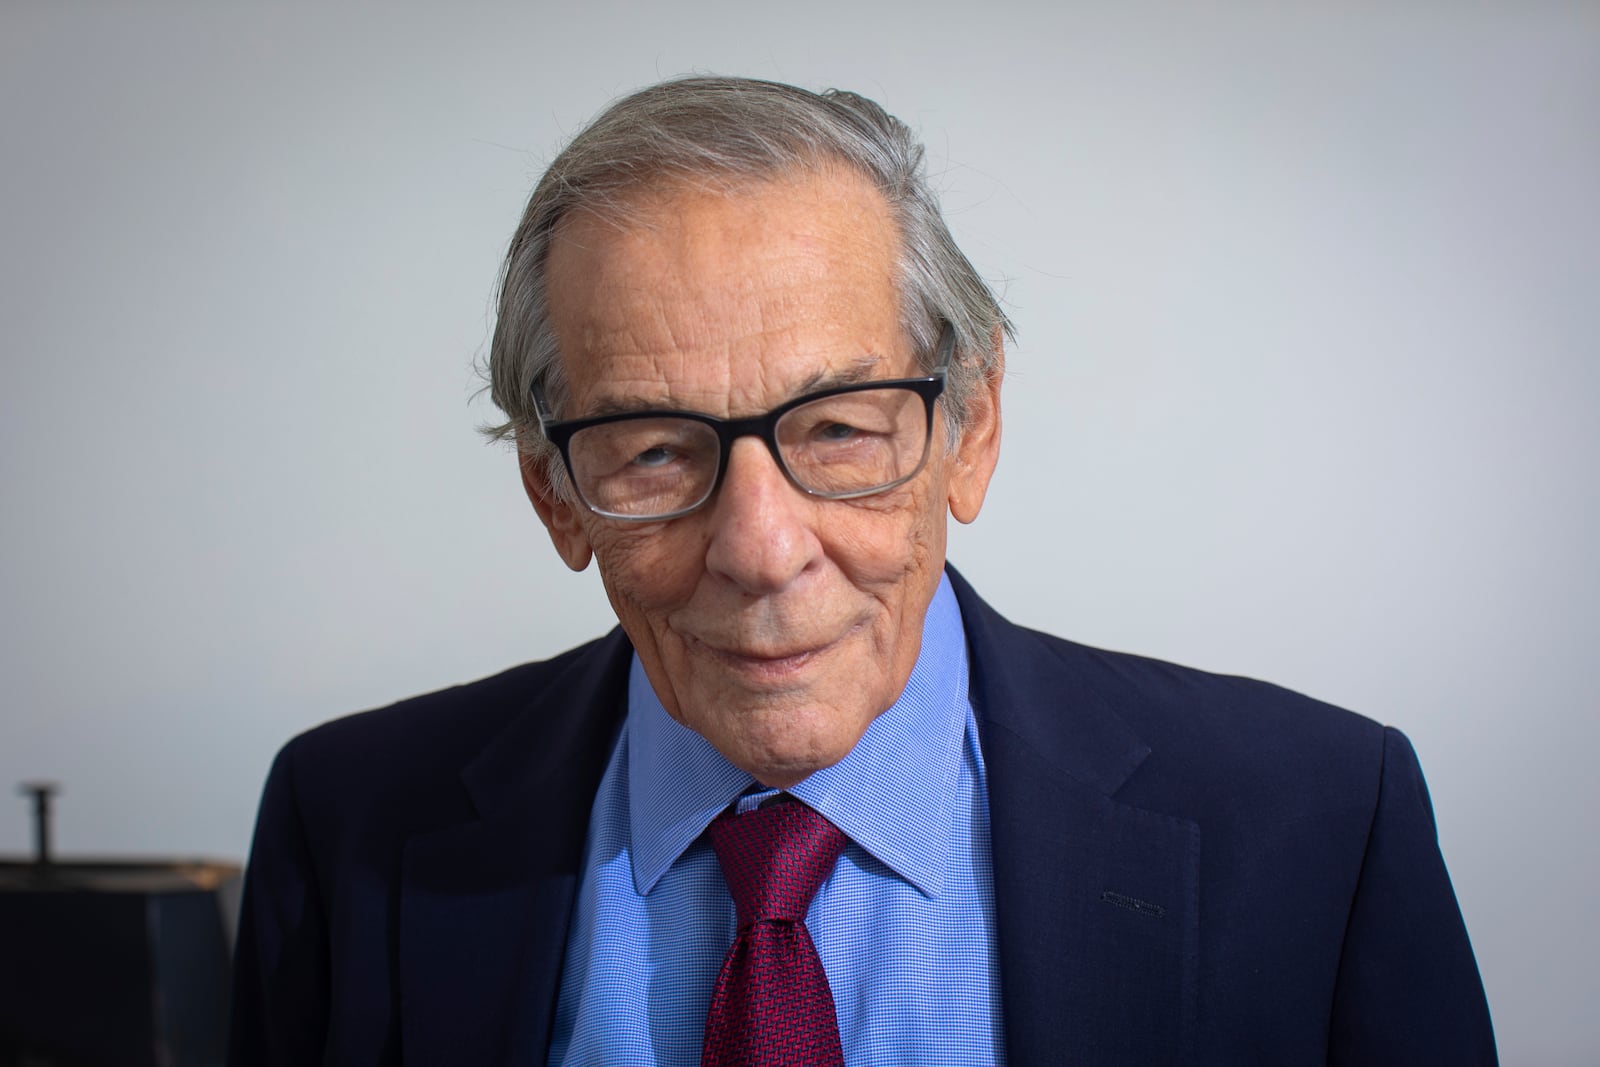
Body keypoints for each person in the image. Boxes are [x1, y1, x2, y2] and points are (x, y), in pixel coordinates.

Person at [228, 76, 1496, 1066]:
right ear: (556, 495)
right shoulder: (348, 825)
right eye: (658, 451)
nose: (763, 548)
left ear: (969, 429)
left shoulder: (1319, 823)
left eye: (838, 427)